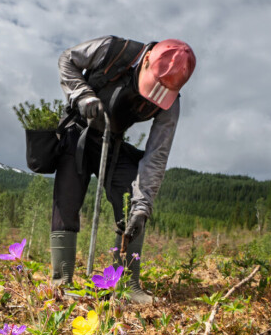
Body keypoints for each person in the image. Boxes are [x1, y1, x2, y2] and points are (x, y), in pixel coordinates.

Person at [50, 35, 196, 304]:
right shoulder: (113, 50)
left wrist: (144, 204)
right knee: (66, 200)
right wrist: (81, 93)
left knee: (132, 204)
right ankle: (62, 283)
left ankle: (127, 287)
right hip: (77, 133)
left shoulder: (170, 104)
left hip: (112, 144)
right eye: (154, 84)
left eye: (165, 91)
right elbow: (67, 59)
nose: (157, 94)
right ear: (147, 59)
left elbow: (157, 155)